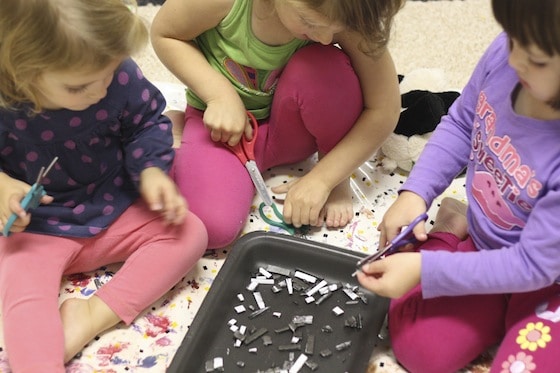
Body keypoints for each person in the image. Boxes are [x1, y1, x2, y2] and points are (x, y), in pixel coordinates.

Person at [0, 0, 208, 371]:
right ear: (21, 72)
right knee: (24, 306)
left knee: (190, 232)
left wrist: (151, 172)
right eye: (79, 86)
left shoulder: (119, 75)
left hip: (115, 203)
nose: (99, 91)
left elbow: (146, 124)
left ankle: (91, 315)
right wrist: (2, 188)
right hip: (38, 228)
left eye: (108, 74)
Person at [356, 0, 560, 372]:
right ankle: (452, 229)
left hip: (547, 279)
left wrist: (427, 271)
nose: (515, 60)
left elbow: (533, 266)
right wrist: (416, 192)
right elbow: (463, 123)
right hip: (489, 246)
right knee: (420, 350)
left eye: (538, 59)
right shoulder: (508, 53)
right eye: (514, 38)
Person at [150, 0, 404, 248]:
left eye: (337, 30)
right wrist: (219, 95)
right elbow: (166, 34)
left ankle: (335, 167)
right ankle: (182, 128)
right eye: (309, 22)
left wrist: (324, 178)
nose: (327, 39)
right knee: (212, 229)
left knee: (326, 64)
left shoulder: (348, 9)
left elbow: (384, 108)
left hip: (291, 130)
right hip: (223, 130)